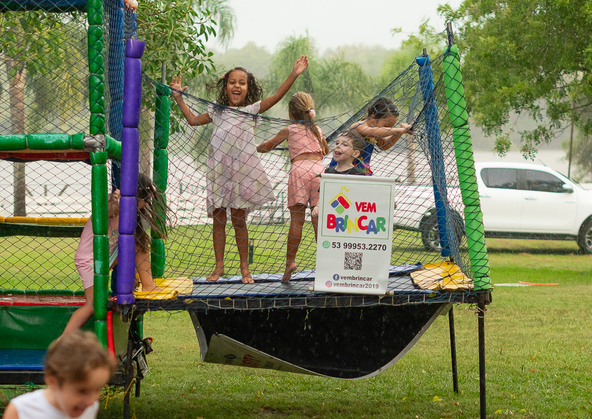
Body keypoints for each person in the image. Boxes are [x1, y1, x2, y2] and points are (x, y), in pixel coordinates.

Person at [171, 58, 309, 284]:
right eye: (233, 82)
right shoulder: (217, 110)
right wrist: (179, 99)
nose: (237, 86)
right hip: (219, 174)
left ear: (248, 88)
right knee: (218, 220)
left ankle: (245, 269)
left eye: (242, 83)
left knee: (238, 221)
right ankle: (219, 267)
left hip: (241, 175)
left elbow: (276, 97)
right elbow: (194, 120)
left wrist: (294, 74)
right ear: (225, 86)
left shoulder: (251, 110)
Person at [65, 174, 164, 334]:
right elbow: (109, 209)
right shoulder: (116, 203)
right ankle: (62, 341)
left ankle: (148, 284)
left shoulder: (133, 210)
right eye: (146, 199)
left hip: (105, 256)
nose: (147, 203)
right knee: (92, 305)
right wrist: (113, 200)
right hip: (90, 259)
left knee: (140, 244)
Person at [256, 92, 328, 281]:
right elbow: (326, 150)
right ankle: (326, 264)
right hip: (319, 172)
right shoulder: (318, 130)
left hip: (299, 172)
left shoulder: (289, 130)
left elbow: (267, 146)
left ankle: (290, 263)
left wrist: (253, 146)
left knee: (297, 221)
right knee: (318, 220)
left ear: (290, 113)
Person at [329, 96, 412, 173]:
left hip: (360, 170)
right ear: (373, 117)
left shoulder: (377, 133)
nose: (388, 129)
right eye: (386, 126)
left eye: (391, 127)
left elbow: (383, 145)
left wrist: (400, 132)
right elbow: (372, 131)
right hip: (342, 169)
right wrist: (400, 129)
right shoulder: (359, 126)